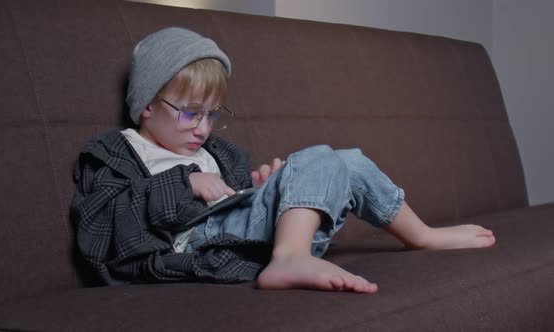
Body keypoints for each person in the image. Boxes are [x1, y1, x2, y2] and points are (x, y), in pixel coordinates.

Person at [72, 27, 496, 293]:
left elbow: (238, 201)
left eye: (212, 115)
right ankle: (289, 258)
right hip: (195, 244)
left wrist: (268, 188)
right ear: (146, 104)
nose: (201, 128)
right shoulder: (118, 155)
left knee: (346, 160)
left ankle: (420, 235)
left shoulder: (216, 154)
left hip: (243, 232)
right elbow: (101, 231)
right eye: (189, 112)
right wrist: (184, 183)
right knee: (320, 157)